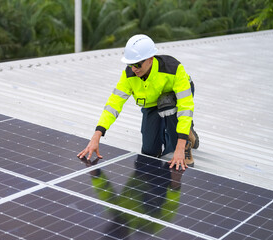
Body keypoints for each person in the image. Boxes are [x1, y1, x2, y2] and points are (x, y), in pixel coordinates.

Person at [77, 34, 199, 170]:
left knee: (168, 105)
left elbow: (185, 107)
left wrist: (180, 145)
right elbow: (114, 104)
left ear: (150, 60)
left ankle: (185, 136)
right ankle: (176, 133)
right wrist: (97, 135)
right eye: (130, 64)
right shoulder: (129, 75)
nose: (134, 68)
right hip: (152, 104)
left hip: (173, 100)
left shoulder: (173, 69)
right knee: (149, 152)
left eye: (137, 64)